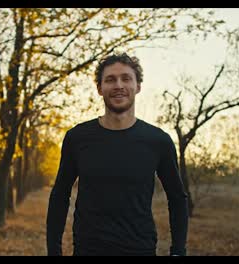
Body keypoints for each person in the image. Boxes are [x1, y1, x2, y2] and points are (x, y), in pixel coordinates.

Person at [46, 52, 189, 256]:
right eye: (110, 80)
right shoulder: (77, 138)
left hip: (140, 250)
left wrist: (178, 251)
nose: (118, 85)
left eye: (126, 78)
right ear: (100, 88)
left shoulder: (158, 141)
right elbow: (60, 195)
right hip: (88, 250)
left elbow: (177, 198)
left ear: (137, 86)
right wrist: (54, 251)